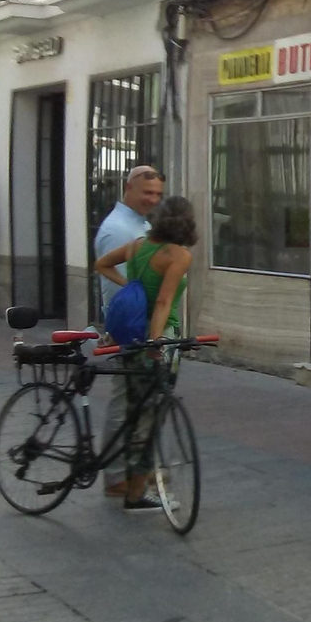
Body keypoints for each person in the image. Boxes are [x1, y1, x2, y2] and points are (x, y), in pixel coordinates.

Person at [94, 196, 197, 514]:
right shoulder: (177, 255)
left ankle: (131, 478)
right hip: (158, 339)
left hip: (129, 335)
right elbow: (165, 304)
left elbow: (101, 264)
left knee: (134, 412)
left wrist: (130, 286)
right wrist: (155, 342)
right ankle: (135, 494)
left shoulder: (138, 245)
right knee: (149, 419)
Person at [92, 166, 164, 498]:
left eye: (158, 195)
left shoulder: (140, 225)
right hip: (131, 332)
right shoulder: (119, 229)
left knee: (138, 403)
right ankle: (117, 476)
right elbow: (120, 291)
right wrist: (126, 331)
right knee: (124, 402)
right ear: (128, 188)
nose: (153, 199)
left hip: (140, 329)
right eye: (147, 193)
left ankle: (134, 469)